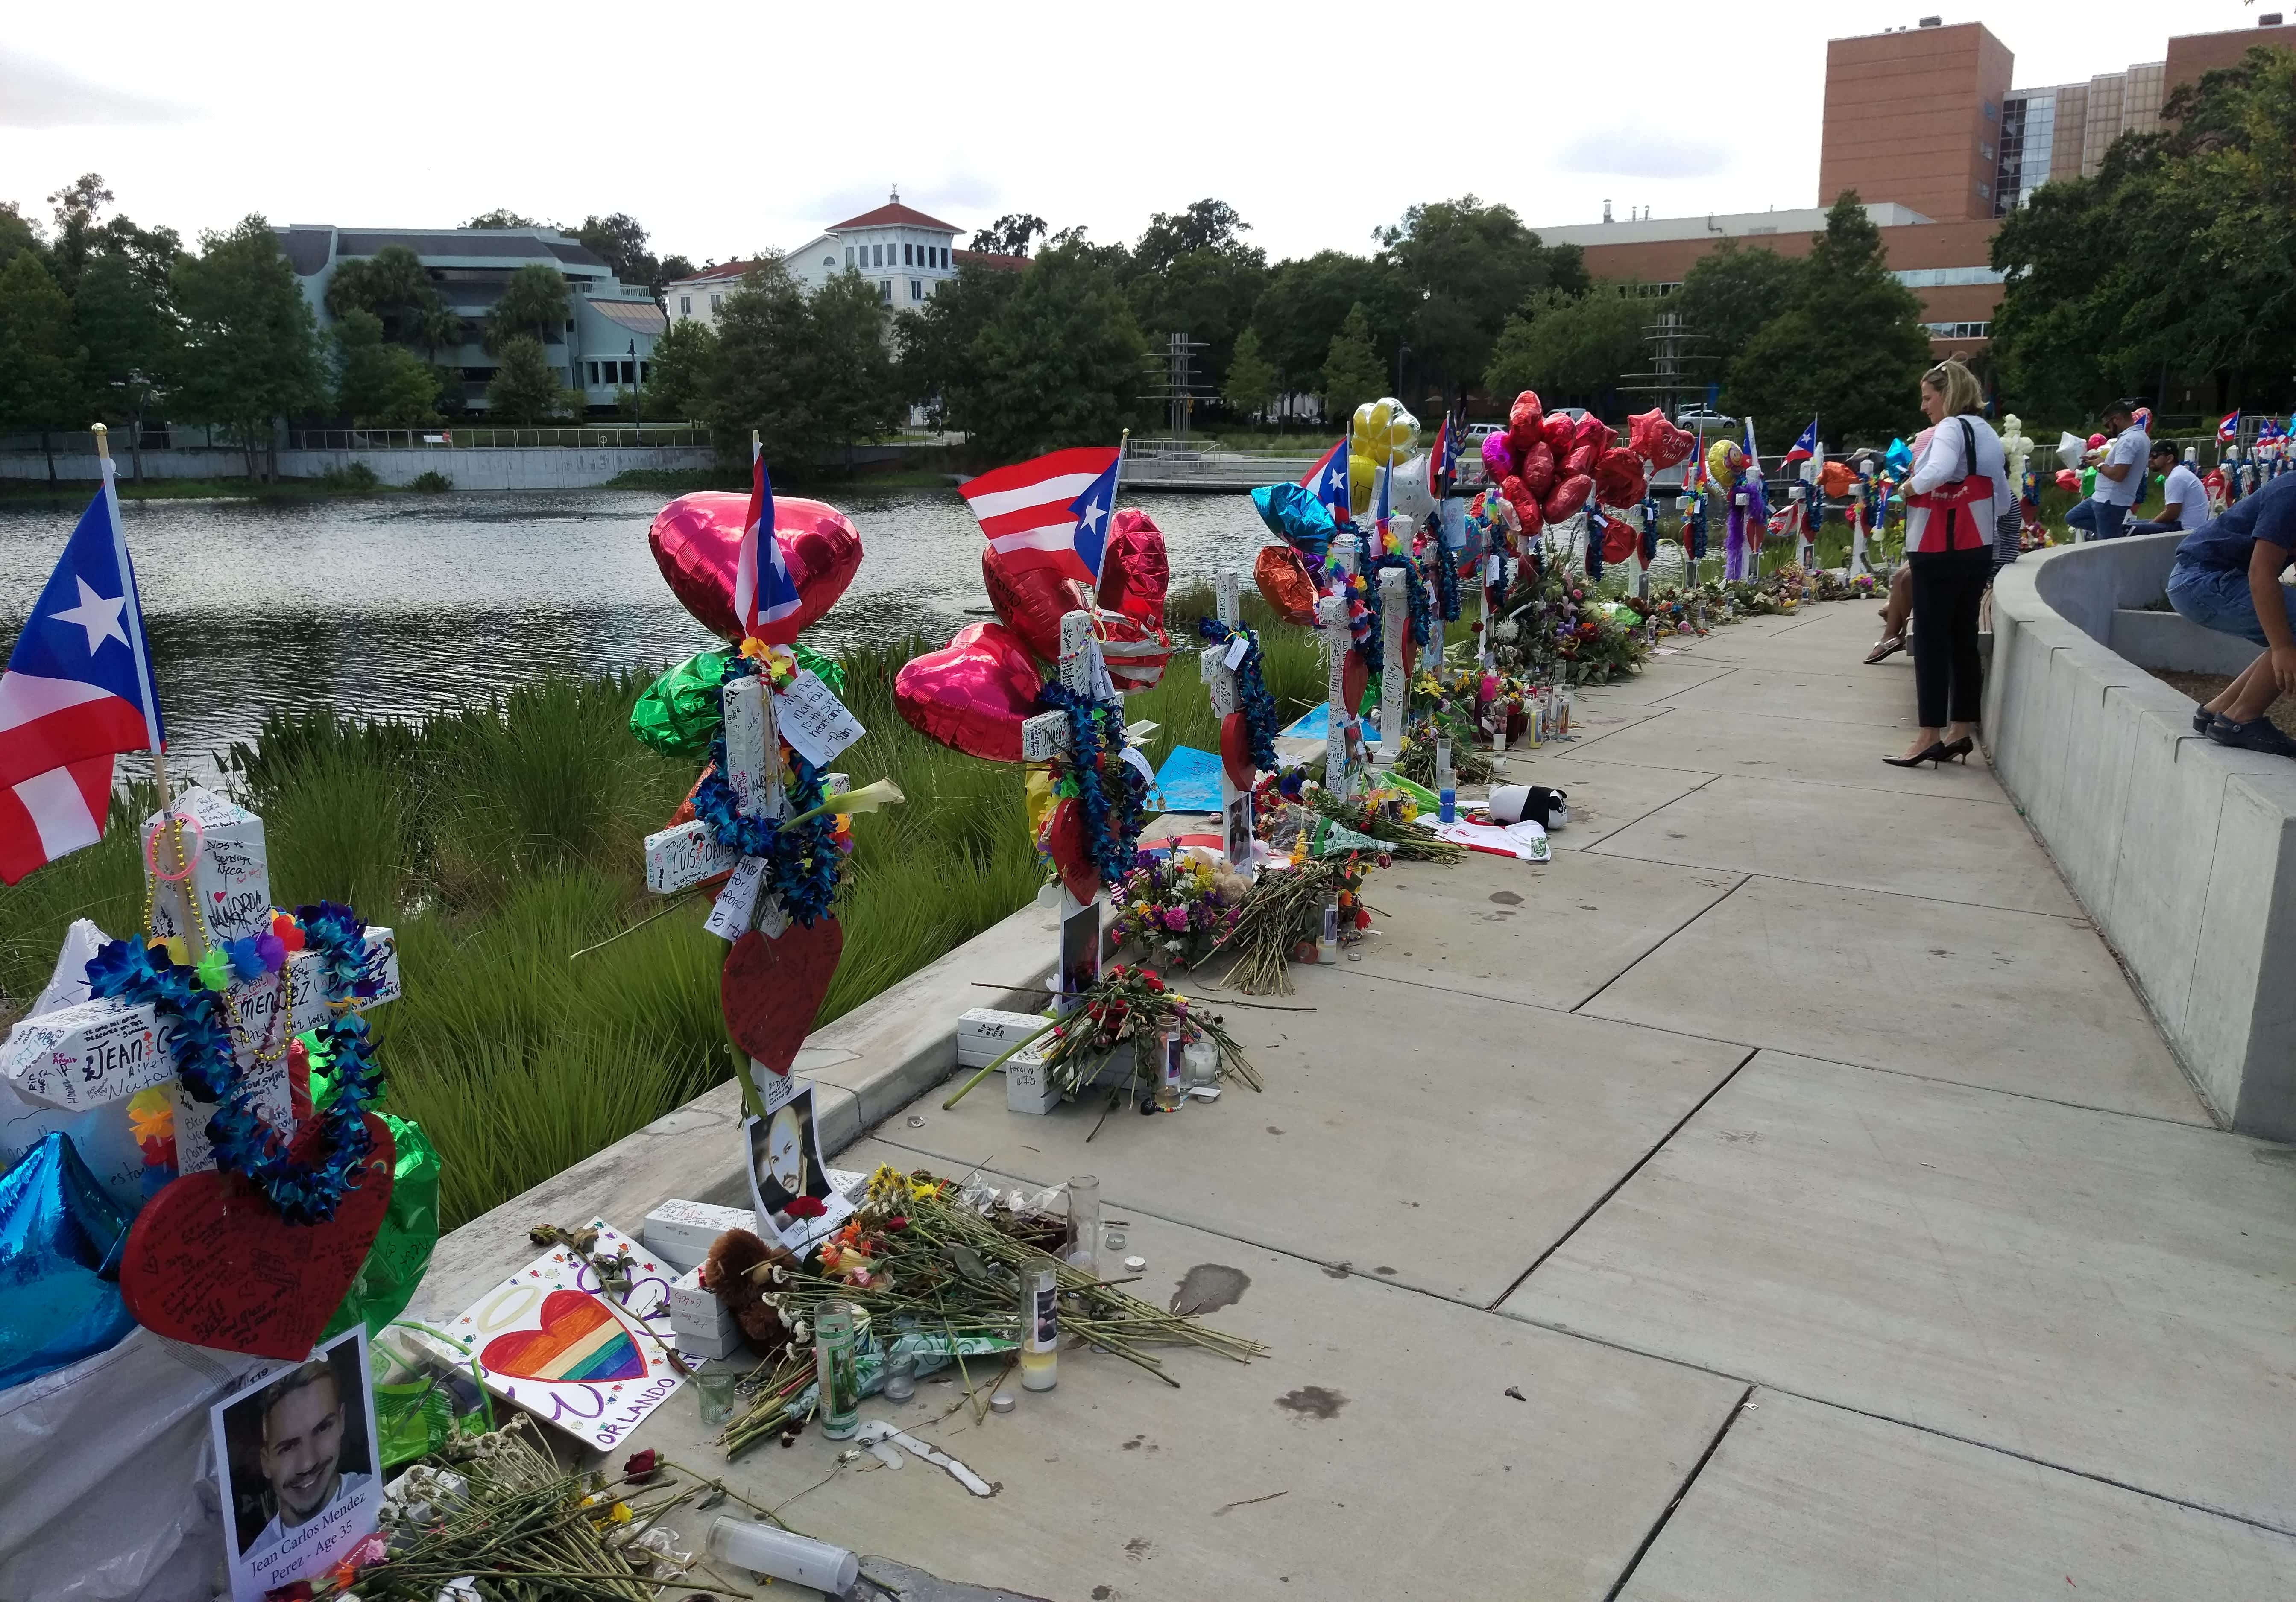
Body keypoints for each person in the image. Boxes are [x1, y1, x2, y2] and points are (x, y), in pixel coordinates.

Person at [1886, 360, 2010, 767]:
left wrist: (1907, 490)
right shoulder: (1988, 432)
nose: (1924, 407)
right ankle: (1961, 730)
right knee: (1962, 639)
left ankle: (1928, 736)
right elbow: (2003, 502)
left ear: (1949, 393)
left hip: (1938, 548)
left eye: (1928, 398)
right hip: (1978, 548)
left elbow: (1938, 471)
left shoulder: (1950, 428)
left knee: (1930, 640)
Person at [2166, 472, 2296, 757]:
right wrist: (2283, 648)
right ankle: (2242, 718)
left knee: (2288, 632)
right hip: (2204, 578)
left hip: (2207, 577)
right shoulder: (2292, 492)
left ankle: (2219, 709)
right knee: (2287, 638)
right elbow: (2261, 572)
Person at [243, 1360, 370, 1561]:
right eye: (288, 1447)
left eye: (322, 1429)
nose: (308, 1464)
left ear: (342, 1421)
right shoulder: (253, 1564)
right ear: (265, 1463)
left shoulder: (381, 1499)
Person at [2064, 399, 2149, 541]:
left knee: (2107, 543)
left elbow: (2119, 474)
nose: (2108, 430)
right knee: (2073, 517)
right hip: (2103, 498)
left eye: (2108, 425)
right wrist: (2099, 460)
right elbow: (2120, 465)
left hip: (2110, 501)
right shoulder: (2138, 436)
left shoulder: (2129, 441)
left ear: (2117, 419)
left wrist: (2099, 465)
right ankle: (2113, 531)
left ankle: (2114, 533)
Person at [2129, 441, 2207, 534]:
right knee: (2131, 525)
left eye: (2155, 455)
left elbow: (2171, 514)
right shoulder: (2179, 473)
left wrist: (2150, 525)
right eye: (2149, 456)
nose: (2150, 460)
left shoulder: (2176, 478)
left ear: (2169, 459)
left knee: (2128, 530)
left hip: (2185, 530)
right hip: (2186, 526)